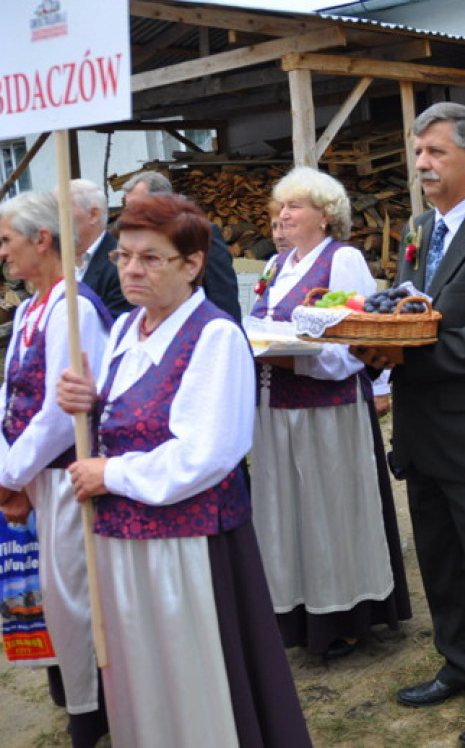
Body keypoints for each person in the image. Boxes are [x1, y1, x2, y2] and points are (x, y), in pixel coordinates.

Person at [55, 193, 311, 748]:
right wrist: (89, 401)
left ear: (192, 264)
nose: (131, 270)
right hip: (124, 545)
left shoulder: (214, 337)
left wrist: (111, 475)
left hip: (187, 549)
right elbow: (128, 416)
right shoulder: (126, 329)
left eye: (150, 258)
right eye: (124, 256)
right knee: (145, 681)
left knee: (193, 682)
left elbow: (207, 454)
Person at [352, 102, 465, 748]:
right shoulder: (418, 227)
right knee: (441, 561)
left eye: (435, 151)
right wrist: (375, 343)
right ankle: (461, 664)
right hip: (422, 430)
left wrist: (410, 356)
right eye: (418, 151)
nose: (422, 163)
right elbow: (410, 313)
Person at [246, 166, 410, 661]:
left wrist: (293, 358)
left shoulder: (343, 260)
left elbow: (357, 341)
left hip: (326, 412)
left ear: (325, 215)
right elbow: (259, 324)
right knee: (286, 514)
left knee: (331, 512)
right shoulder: (276, 265)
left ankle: (347, 615)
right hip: (275, 410)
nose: (282, 216)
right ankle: (297, 610)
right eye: (280, 207)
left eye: (294, 206)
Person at [0, 192, 111, 748]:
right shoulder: (28, 310)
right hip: (36, 477)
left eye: (6, 240)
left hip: (69, 476)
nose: (2, 253)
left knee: (76, 594)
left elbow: (61, 413)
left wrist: (9, 475)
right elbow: (11, 395)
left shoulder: (76, 309)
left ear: (41, 239)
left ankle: (97, 710)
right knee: (53, 593)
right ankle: (79, 702)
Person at [122, 170, 242, 320]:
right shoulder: (133, 242)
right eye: (129, 209)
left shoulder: (200, 234)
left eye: (138, 207)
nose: (131, 215)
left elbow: (223, 295)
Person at [68, 179, 132, 316]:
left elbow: (113, 325)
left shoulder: (121, 265)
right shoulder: (58, 265)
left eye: (60, 211)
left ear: (93, 215)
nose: (51, 220)